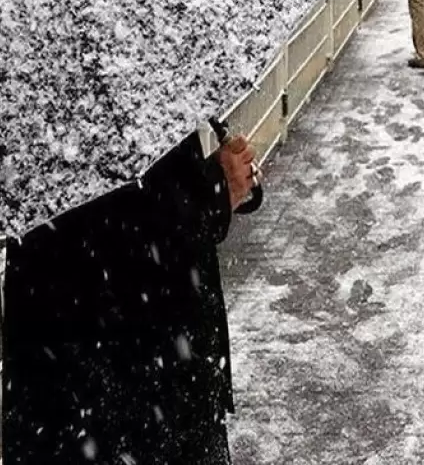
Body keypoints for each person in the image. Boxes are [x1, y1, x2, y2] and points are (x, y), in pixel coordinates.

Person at [2, 133, 258, 464]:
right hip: (132, 376)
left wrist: (221, 184)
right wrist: (212, 192)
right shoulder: (81, 122)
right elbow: (124, 228)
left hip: (83, 379)